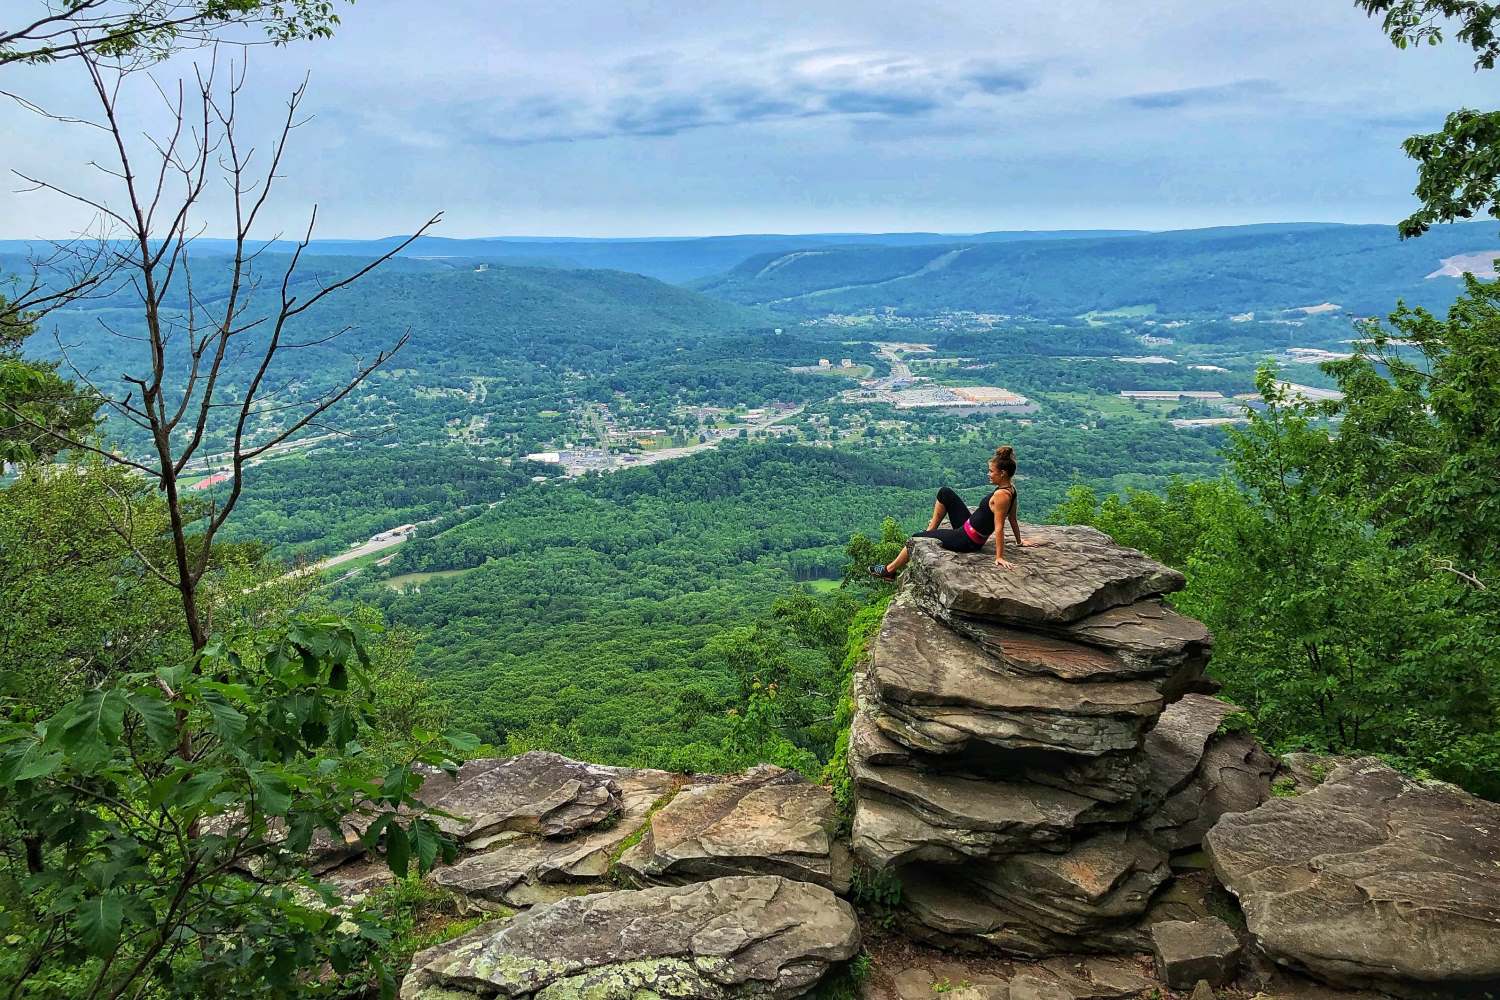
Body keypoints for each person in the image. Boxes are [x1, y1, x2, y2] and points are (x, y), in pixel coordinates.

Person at [870, 445, 1027, 579]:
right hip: (967, 527)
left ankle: (888, 570)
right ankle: (931, 531)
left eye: (991, 471)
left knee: (917, 537)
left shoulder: (1002, 496)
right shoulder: (1010, 490)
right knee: (945, 493)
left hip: (966, 540)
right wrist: (1019, 542)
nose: (988, 474)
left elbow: (999, 527)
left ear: (1003, 473)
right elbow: (1013, 519)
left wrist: (999, 557)